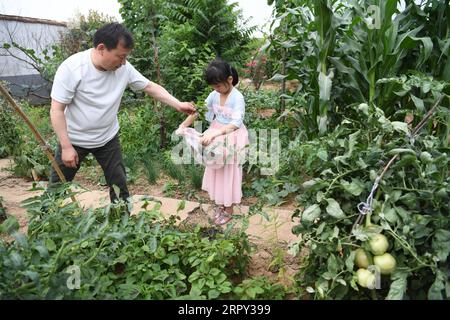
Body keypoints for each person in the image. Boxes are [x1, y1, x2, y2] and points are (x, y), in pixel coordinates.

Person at [49, 23, 196, 203]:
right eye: (120, 56)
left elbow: (149, 86)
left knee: (119, 185)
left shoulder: (123, 68)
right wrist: (66, 147)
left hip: (107, 138)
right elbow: (56, 110)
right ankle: (44, 224)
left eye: (126, 57)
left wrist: (178, 104)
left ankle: (123, 222)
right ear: (101, 48)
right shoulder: (72, 68)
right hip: (74, 139)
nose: (124, 62)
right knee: (57, 188)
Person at [177, 59, 249, 225]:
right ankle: (220, 204)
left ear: (229, 80)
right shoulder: (214, 95)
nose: (216, 90)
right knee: (215, 169)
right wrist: (183, 125)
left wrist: (216, 133)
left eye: (218, 86)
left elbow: (236, 123)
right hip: (216, 133)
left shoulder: (237, 98)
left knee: (228, 173)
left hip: (231, 135)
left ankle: (229, 209)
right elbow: (199, 112)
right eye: (213, 87)